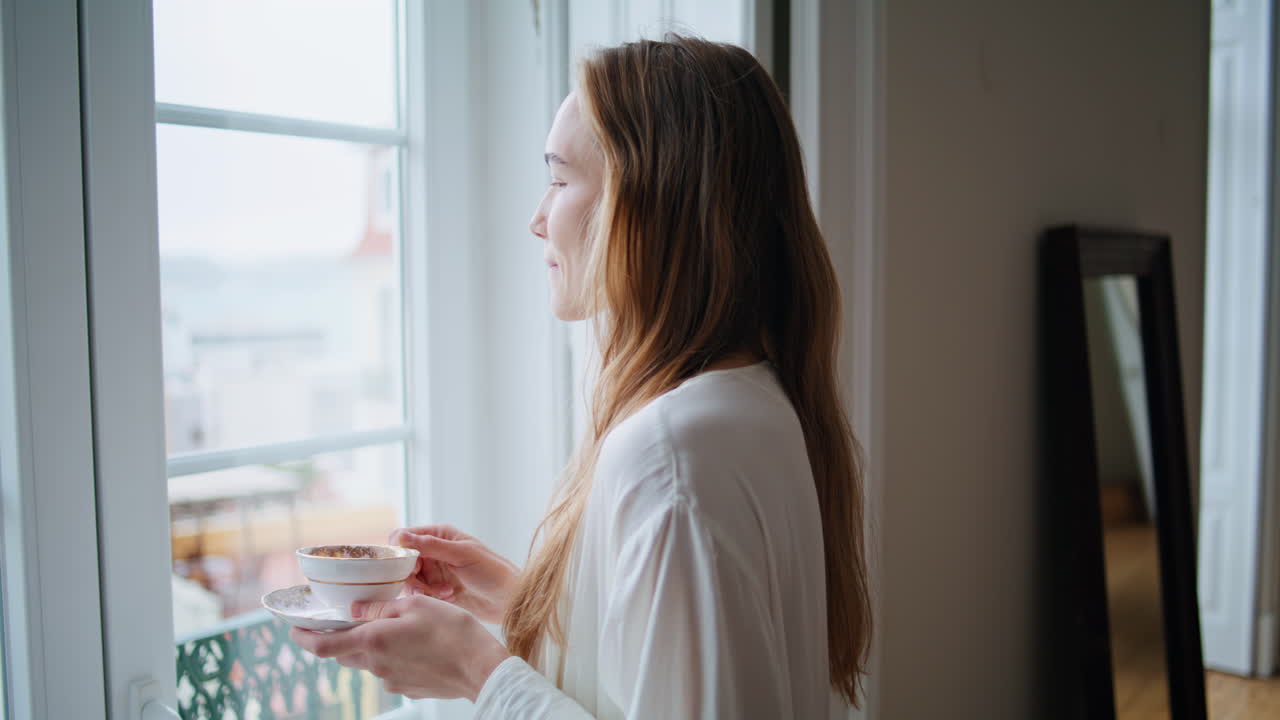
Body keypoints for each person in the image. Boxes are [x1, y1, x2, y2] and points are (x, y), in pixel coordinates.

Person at [291, 34, 872, 719]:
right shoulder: (754, 405)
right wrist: (524, 600)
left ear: (645, 205)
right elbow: (666, 671)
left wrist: (476, 670)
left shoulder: (674, 453)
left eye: (561, 179)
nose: (537, 219)